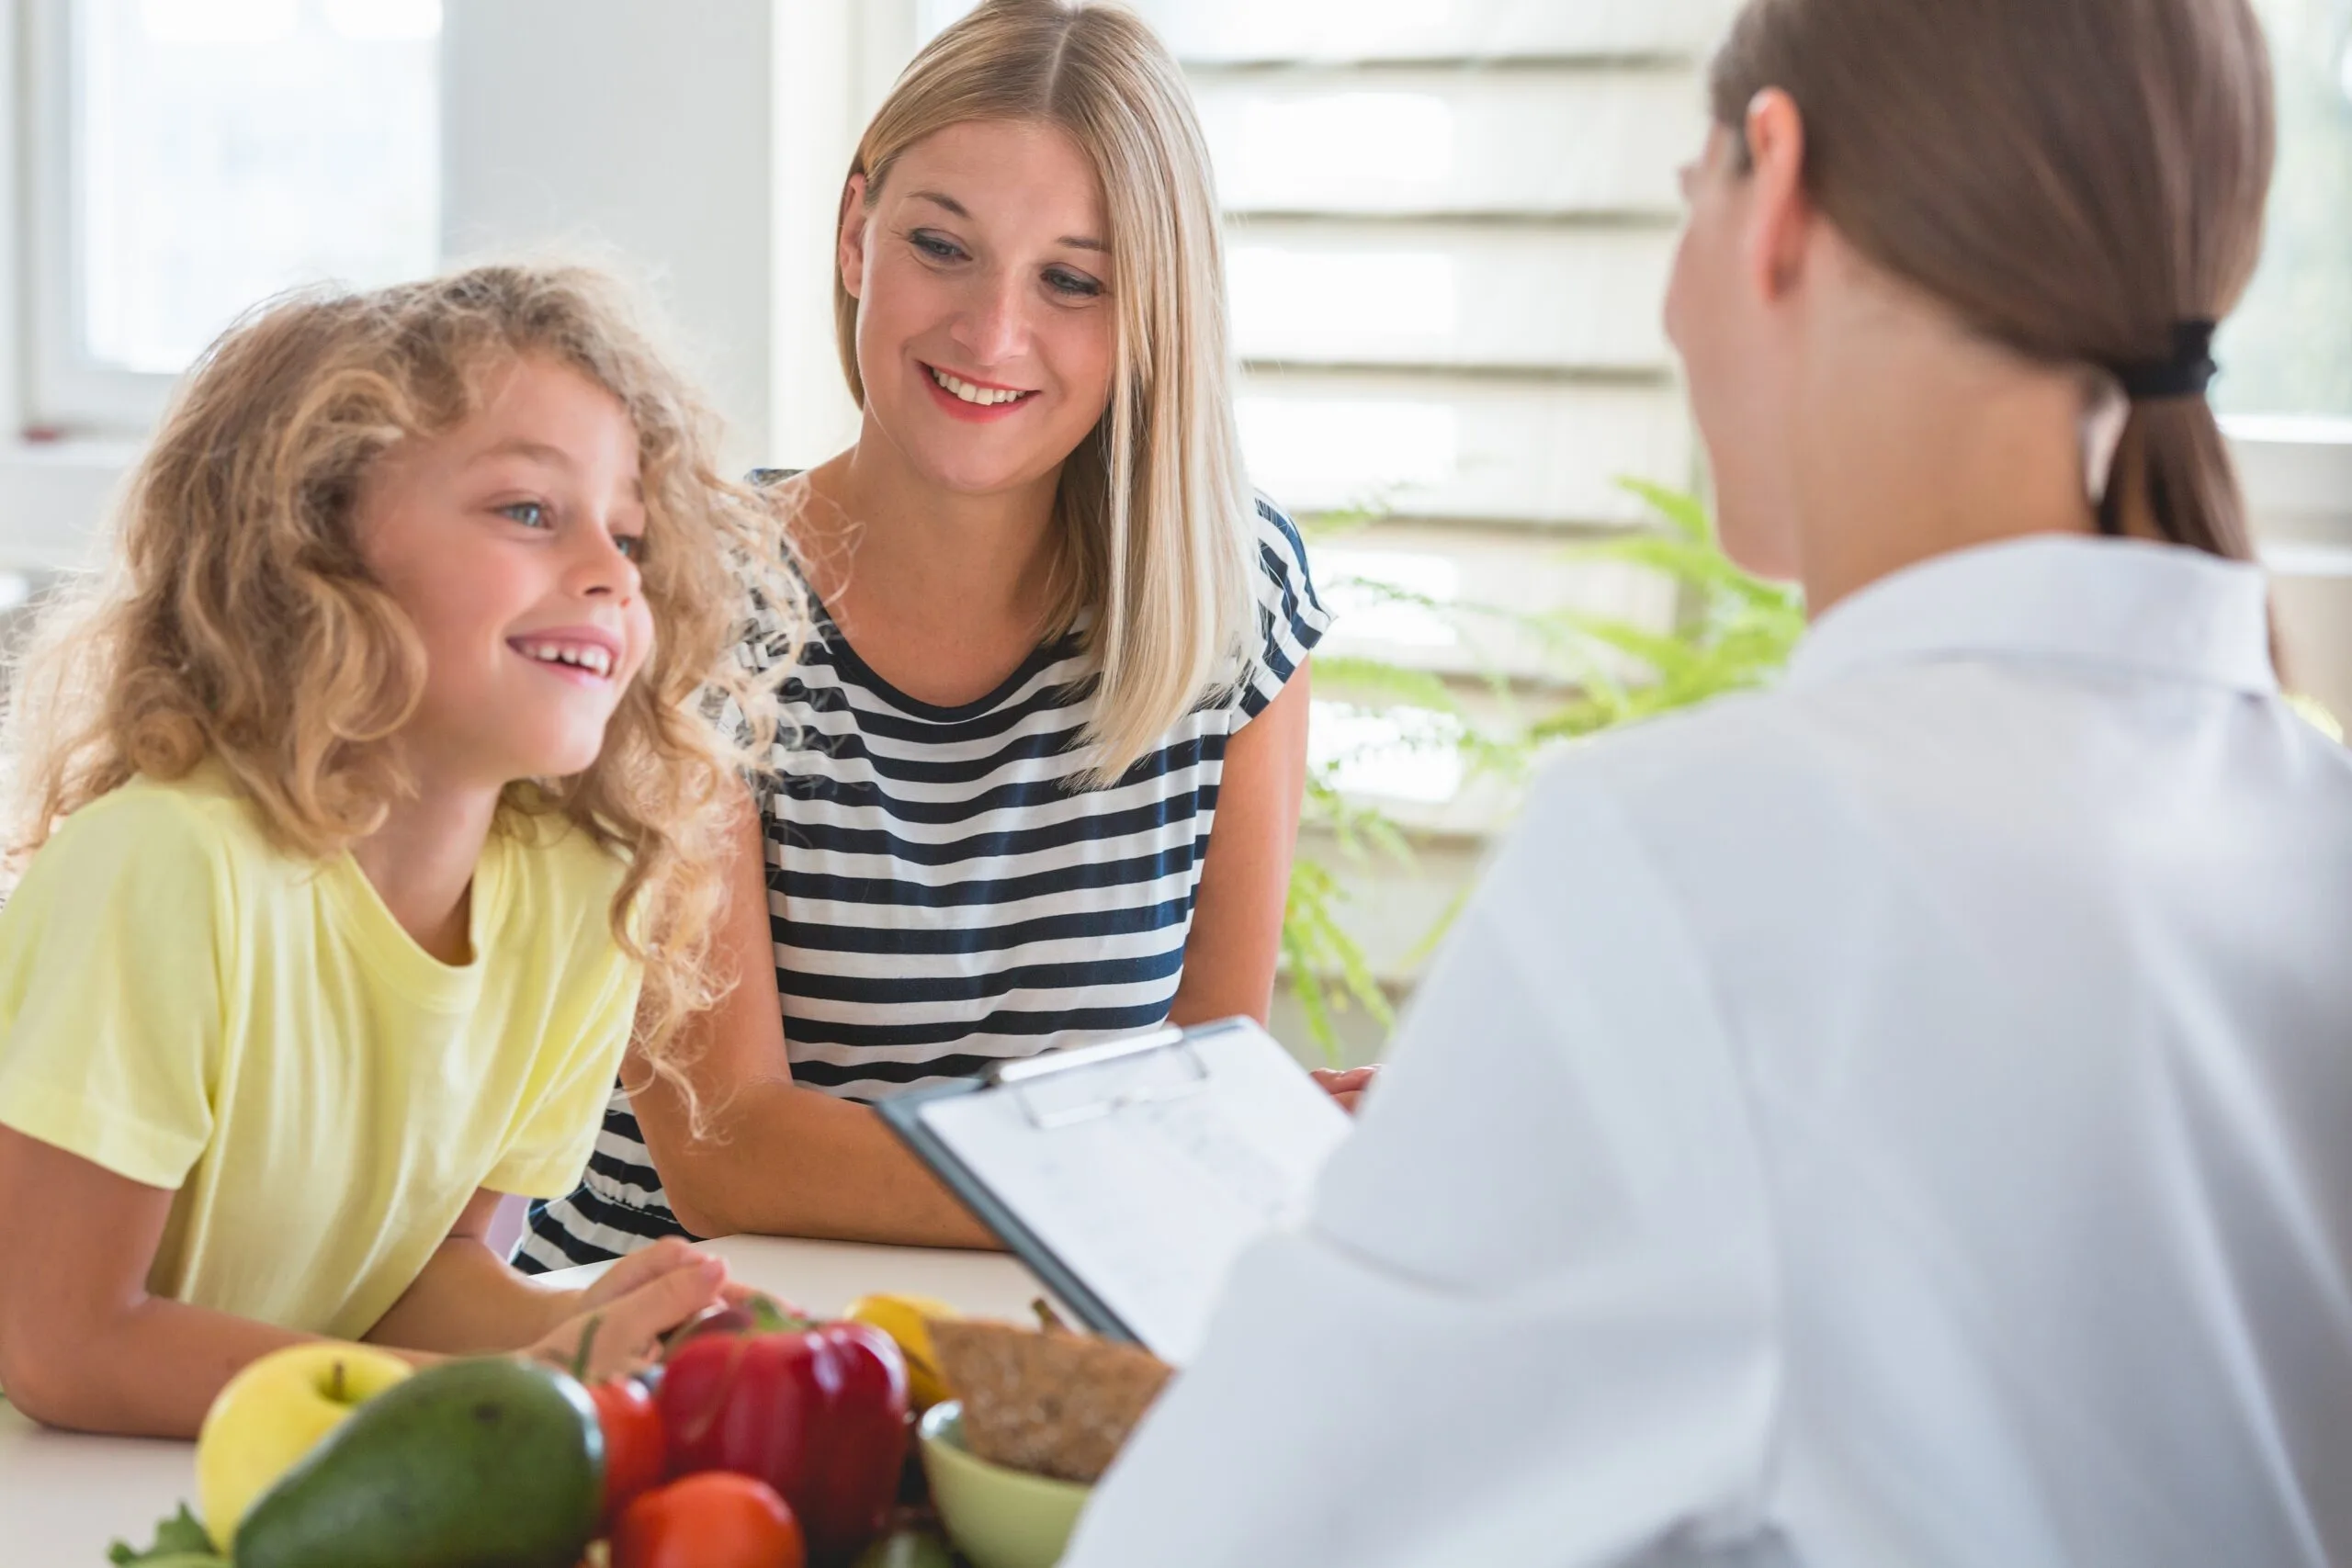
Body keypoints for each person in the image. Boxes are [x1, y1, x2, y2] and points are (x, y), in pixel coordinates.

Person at [1062, 0, 2352, 1562]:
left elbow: (1219, 1536)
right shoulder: (2307, 830)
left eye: (1691, 196)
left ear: (1778, 189)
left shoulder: (1707, 865)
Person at [519, 0, 1356, 1269]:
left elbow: (1205, 1089)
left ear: (1151, 316)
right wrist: (1125, 1168)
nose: (990, 332)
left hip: (1031, 1333)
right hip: (679, 1340)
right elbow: (728, 1147)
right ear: (859, 232)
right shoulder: (689, 595)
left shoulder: (1234, 602)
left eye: (1071, 279)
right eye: (941, 246)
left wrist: (1224, 1147)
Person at [0, 265, 798, 1437]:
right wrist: (499, 1390)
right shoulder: (169, 868)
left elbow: (412, 1281)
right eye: (529, 510)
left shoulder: (586, 897)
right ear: (311, 544)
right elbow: (65, 1346)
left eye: (627, 533)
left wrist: (571, 1338)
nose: (609, 575)